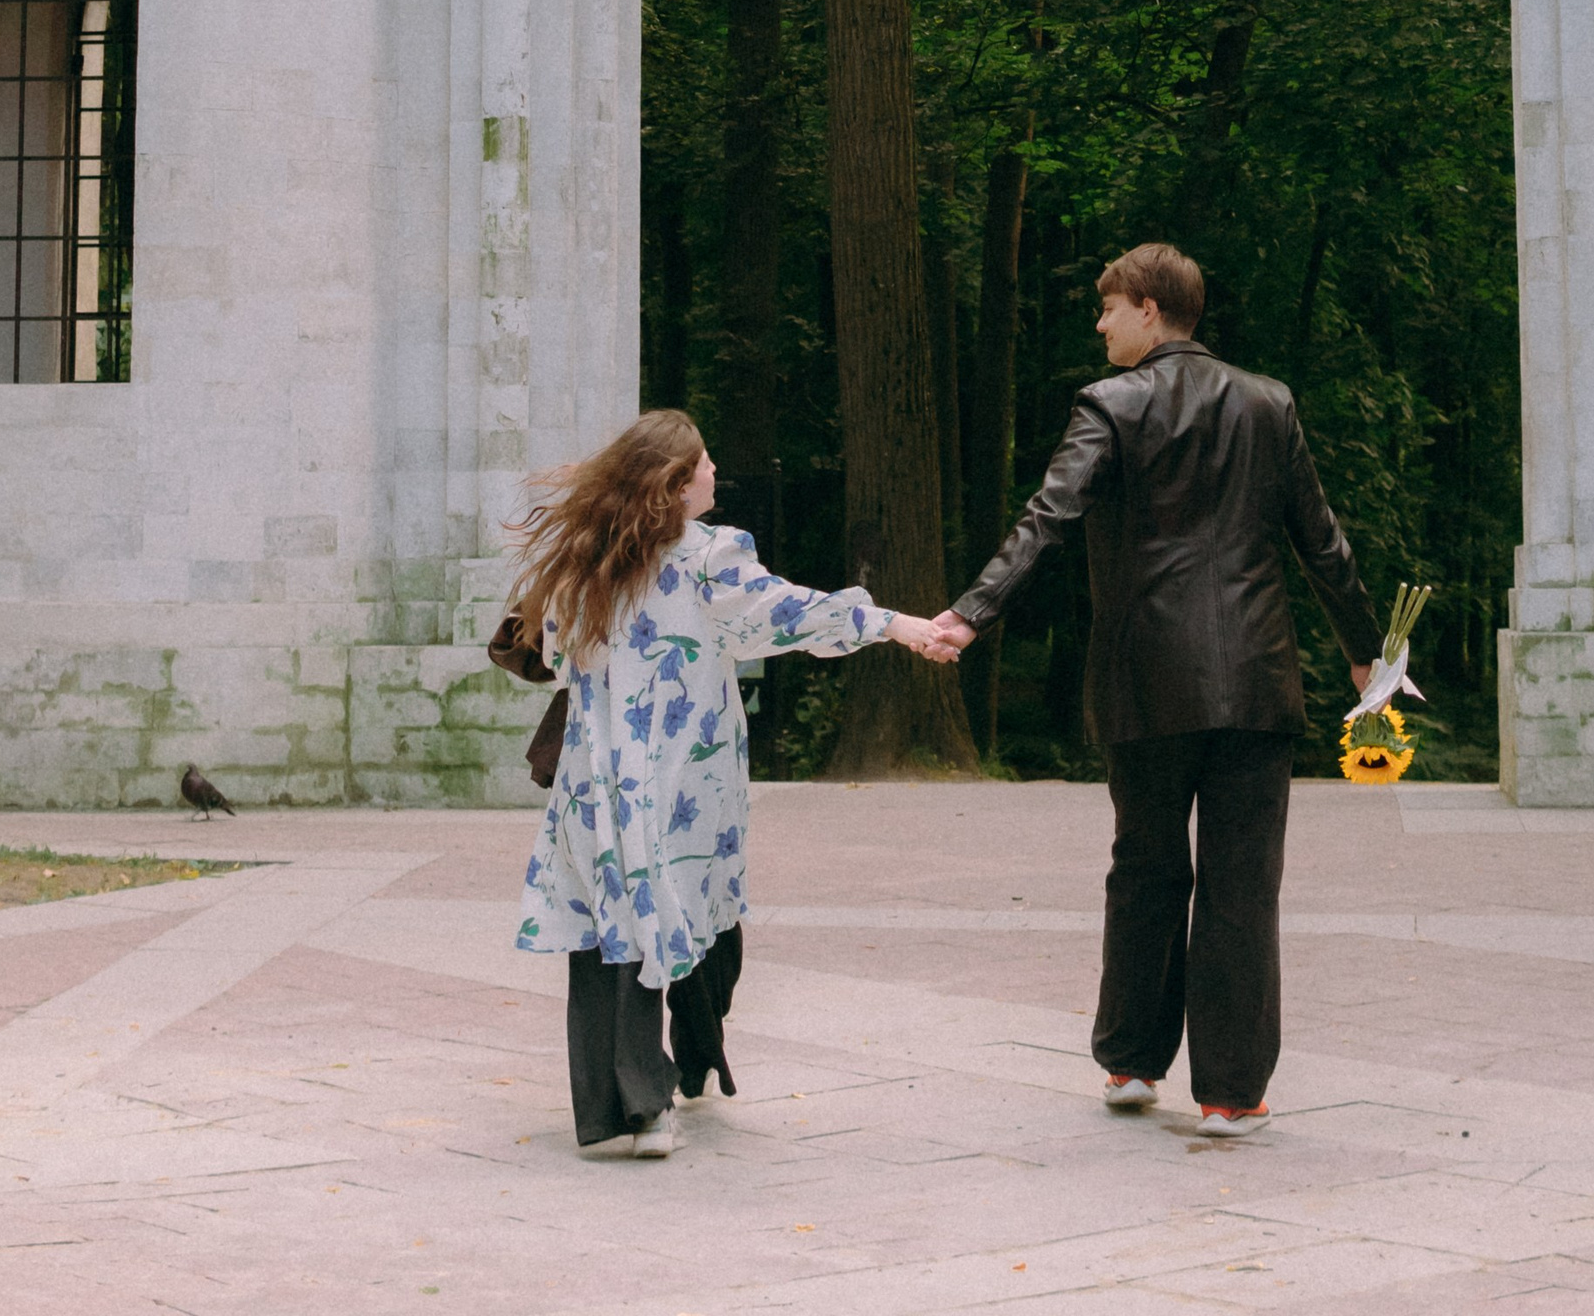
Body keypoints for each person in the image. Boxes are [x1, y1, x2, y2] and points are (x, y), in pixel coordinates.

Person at [936, 241, 1377, 1141]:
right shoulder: (1270, 402)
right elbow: (1322, 542)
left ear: (1148, 308)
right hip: (1257, 678)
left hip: (1147, 679)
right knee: (1243, 885)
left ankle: (1132, 1062)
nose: (1099, 325)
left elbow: (1048, 518)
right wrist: (1367, 654)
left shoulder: (1112, 403)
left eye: (1108, 308)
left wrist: (972, 613)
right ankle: (1232, 1094)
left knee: (1144, 867)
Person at [508, 407, 959, 1156]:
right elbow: (787, 613)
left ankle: (645, 1097)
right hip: (687, 778)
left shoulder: (584, 563)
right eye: (704, 462)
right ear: (676, 486)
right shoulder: (712, 557)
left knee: (616, 928)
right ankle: (659, 1095)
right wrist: (896, 624)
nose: (715, 470)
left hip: (602, 778)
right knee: (695, 909)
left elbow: (555, 657)